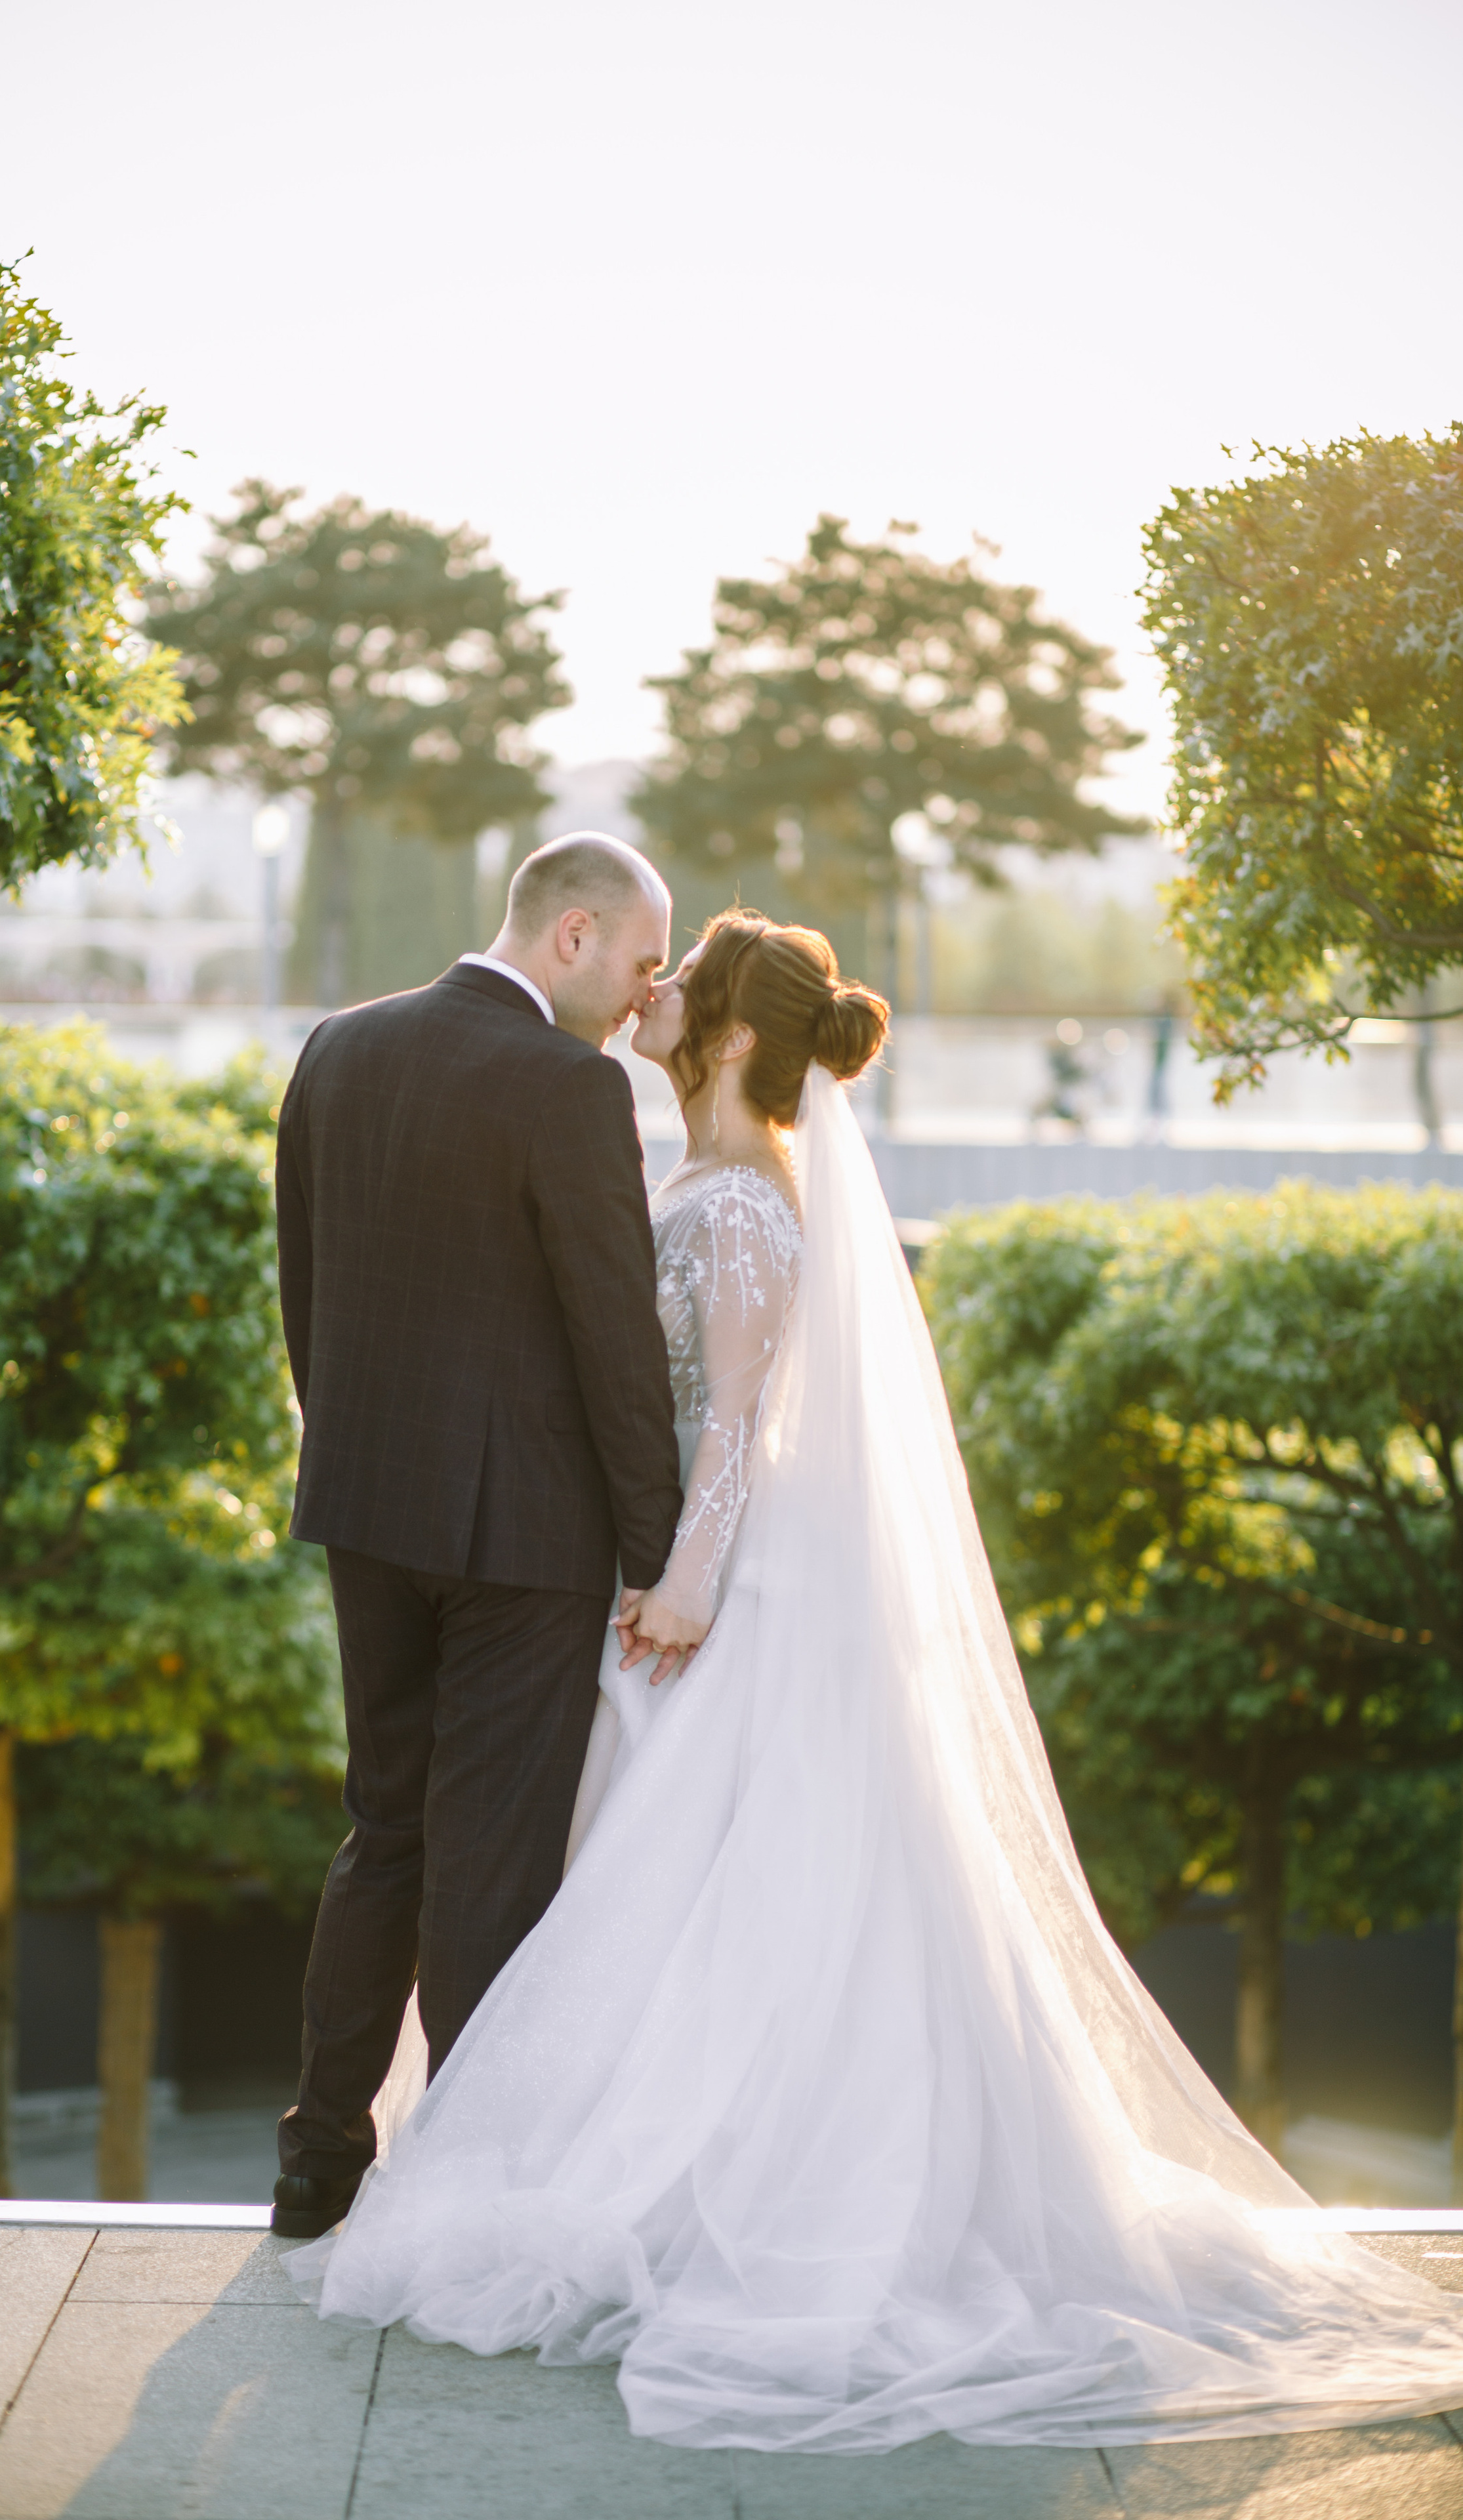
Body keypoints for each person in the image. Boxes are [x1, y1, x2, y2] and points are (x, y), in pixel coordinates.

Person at [287, 906, 1463, 2450]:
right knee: (656, 1886)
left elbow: (732, 1429)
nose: (649, 997)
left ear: (724, 1038)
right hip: (673, 1591)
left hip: (714, 1598)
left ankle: (653, 2177)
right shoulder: (703, 1181)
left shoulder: (736, 1210)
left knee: (689, 1884)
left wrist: (682, 1574)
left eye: (677, 985)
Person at [269, 832, 682, 2240]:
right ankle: (463, 2189)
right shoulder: (572, 1090)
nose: (646, 995)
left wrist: (356, 1463)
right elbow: (613, 1344)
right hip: (526, 1537)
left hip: (367, 1509)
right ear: (569, 934)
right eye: (638, 961)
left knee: (382, 1828)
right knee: (490, 1861)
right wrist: (657, 1550)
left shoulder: (337, 1048)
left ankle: (317, 2160)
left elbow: (302, 1290)